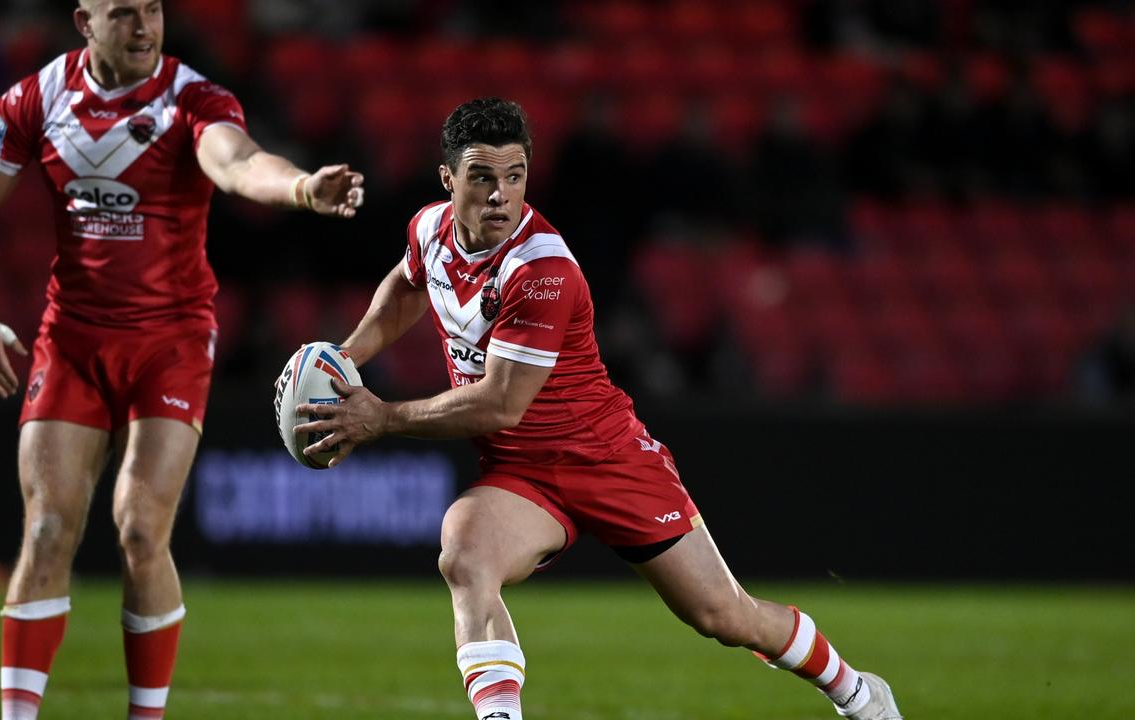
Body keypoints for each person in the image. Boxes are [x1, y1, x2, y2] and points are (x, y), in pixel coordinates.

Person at [295, 98, 902, 720]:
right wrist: (346, 355)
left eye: (515, 175)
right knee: (464, 554)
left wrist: (381, 416)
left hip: (607, 456)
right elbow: (407, 284)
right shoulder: (429, 229)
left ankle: (856, 691)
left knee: (725, 616)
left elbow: (501, 404)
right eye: (483, 177)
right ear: (448, 178)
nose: (501, 194)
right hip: (524, 476)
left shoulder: (543, 269)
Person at [0, 2, 364, 719]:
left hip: (169, 343)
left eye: (154, 11)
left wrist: (298, 188)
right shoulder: (36, 99)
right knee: (47, 529)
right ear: (85, 21)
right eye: (125, 13)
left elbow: (239, 164)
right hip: (73, 340)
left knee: (140, 527)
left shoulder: (191, 98)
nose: (145, 27)